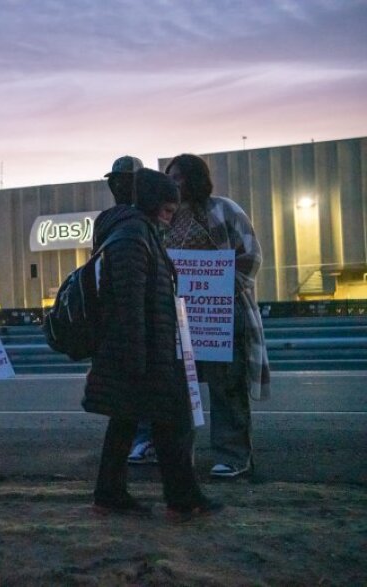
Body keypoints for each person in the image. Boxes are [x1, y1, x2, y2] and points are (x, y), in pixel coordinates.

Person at [83, 168, 222, 520]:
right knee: (171, 424)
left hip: (142, 349)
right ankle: (182, 500)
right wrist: (138, 359)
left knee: (127, 423)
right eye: (167, 211)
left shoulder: (138, 231)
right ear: (150, 204)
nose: (170, 219)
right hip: (141, 351)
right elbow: (130, 303)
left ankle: (111, 494)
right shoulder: (132, 236)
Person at [164, 154, 271, 478]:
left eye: (179, 177)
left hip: (222, 314)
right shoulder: (165, 219)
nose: (173, 183)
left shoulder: (224, 209)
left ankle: (233, 455)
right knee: (177, 389)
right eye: (170, 177)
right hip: (179, 317)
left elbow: (251, 255)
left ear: (196, 179)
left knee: (227, 386)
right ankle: (178, 454)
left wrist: (220, 287)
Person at [101, 156, 158, 466]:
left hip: (137, 317)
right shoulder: (124, 222)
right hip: (133, 318)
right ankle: (140, 444)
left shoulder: (126, 219)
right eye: (116, 180)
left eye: (127, 180)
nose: (119, 185)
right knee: (133, 391)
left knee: (133, 393)